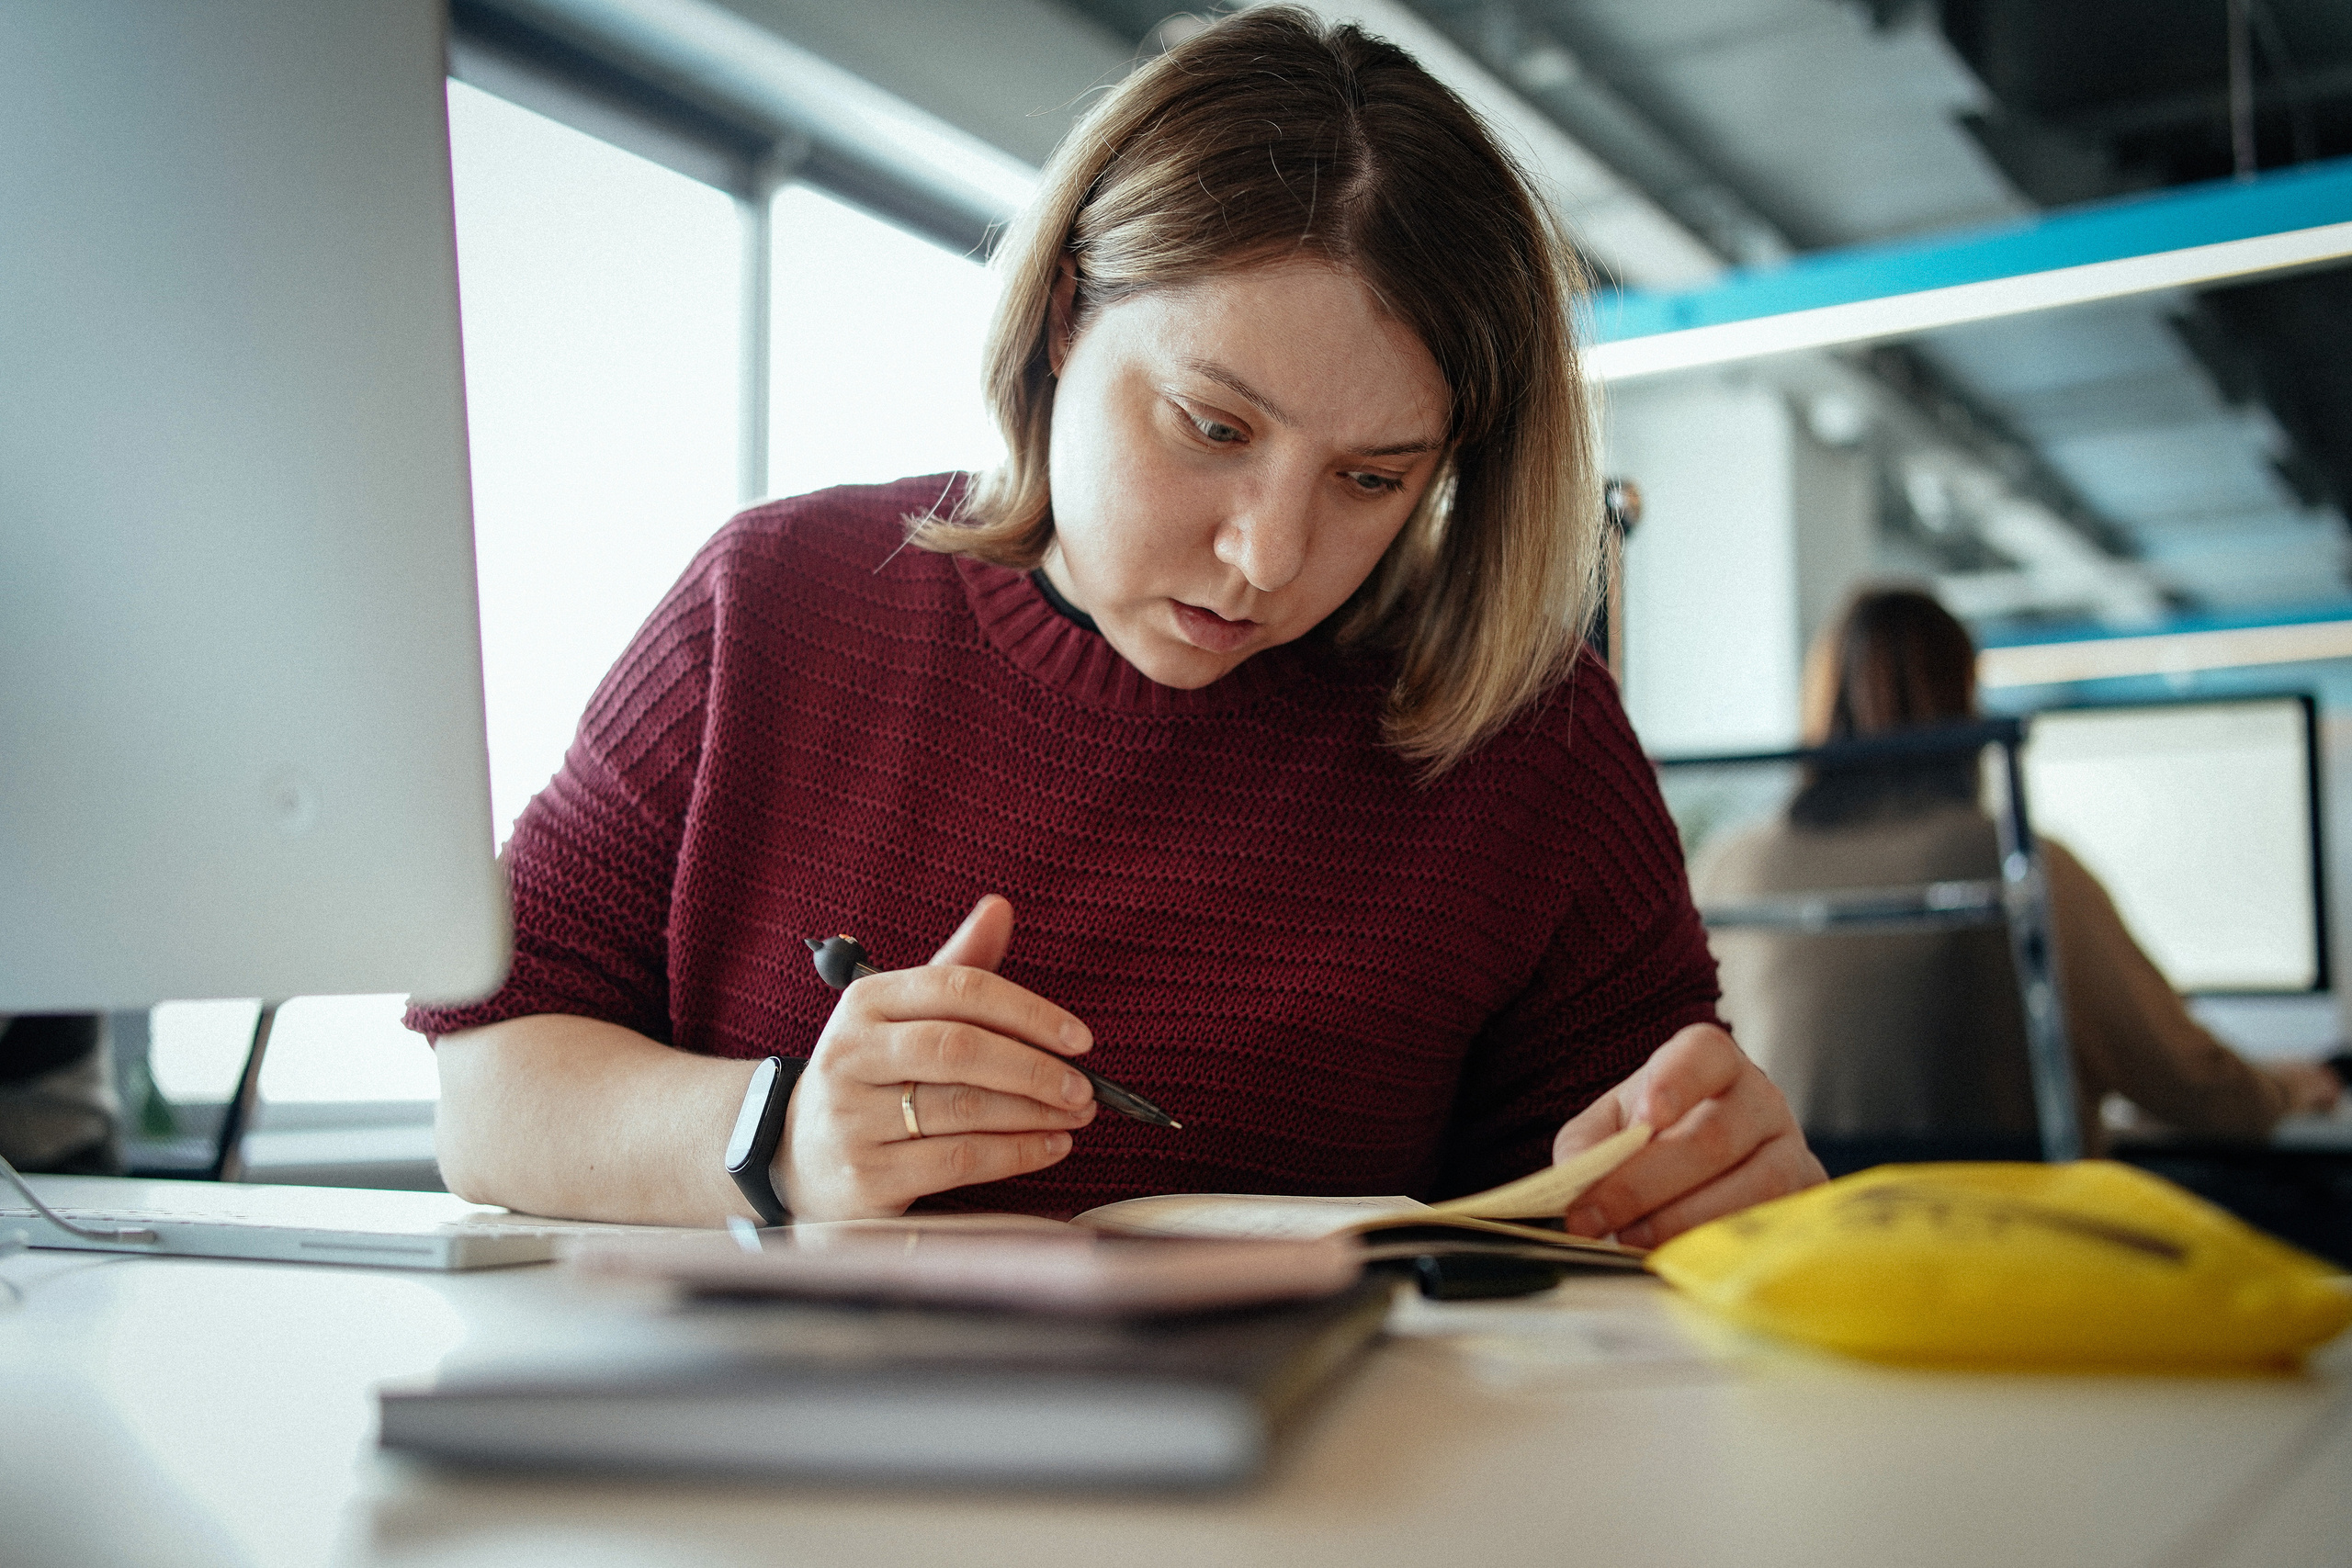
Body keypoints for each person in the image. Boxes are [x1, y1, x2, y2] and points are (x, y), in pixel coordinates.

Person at [409, 7, 1823, 1243]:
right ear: (1067, 319)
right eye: (1213, 426)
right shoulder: (775, 603)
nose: (1267, 555)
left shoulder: (1529, 740)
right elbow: (486, 1093)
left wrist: (1713, 1190)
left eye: (1373, 477)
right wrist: (777, 1137)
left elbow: (1639, 1213)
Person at [1692, 587, 2342, 1154]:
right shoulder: (2019, 869)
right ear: (1964, 701)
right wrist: (2292, 1085)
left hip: (1788, 1265)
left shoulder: (1727, 867)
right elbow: (2198, 1090)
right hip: (2002, 1264)